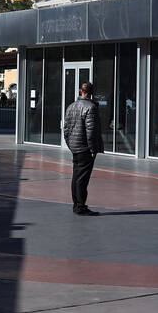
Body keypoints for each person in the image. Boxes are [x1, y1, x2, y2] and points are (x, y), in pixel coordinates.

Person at [63, 80, 104, 215]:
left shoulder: (71, 106)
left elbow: (66, 129)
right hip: (85, 148)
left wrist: (70, 144)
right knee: (82, 178)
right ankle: (80, 206)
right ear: (91, 93)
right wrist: (93, 149)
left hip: (75, 147)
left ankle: (77, 204)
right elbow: (90, 131)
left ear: (81, 91)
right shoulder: (90, 108)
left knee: (76, 176)